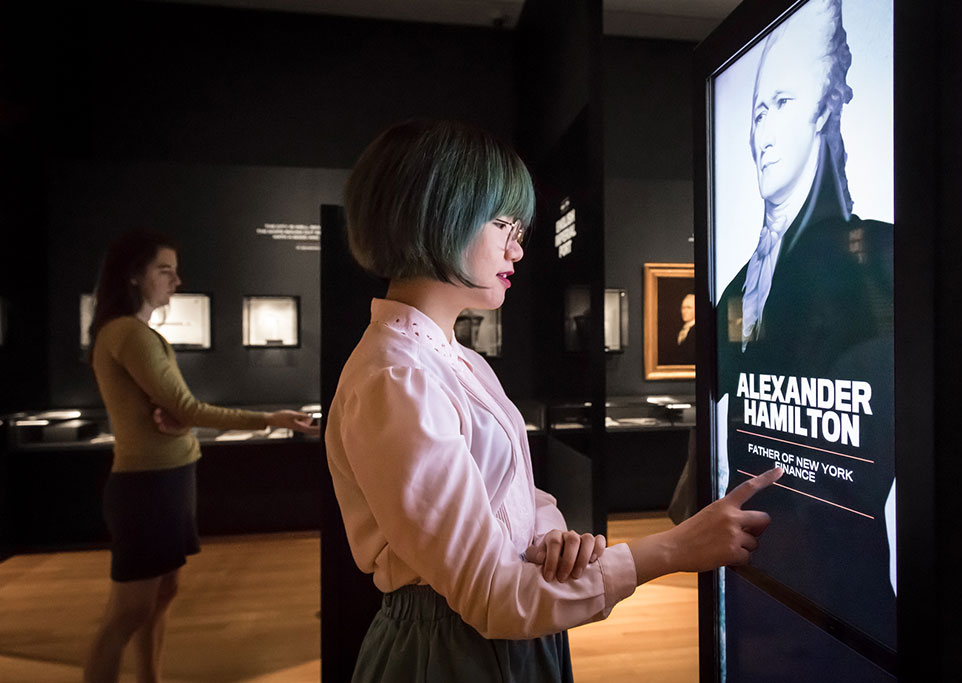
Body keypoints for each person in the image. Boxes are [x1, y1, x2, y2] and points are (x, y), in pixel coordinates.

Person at [324, 119, 783, 682]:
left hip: (501, 635)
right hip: (451, 652)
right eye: (502, 224)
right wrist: (670, 549)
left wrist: (548, 537)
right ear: (438, 216)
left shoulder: (454, 358)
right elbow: (491, 596)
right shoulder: (397, 377)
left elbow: (509, 490)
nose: (517, 247)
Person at [715, 0, 896, 647]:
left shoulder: (879, 254)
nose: (762, 129)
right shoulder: (740, 285)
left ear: (824, 106)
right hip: (758, 581)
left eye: (783, 102)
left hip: (846, 599)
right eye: (757, 110)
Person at [82, 230, 318, 683]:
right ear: (133, 276)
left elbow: (176, 411)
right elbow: (186, 407)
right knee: (127, 613)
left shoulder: (133, 333)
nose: (176, 280)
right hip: (147, 484)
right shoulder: (129, 334)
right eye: (164, 270)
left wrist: (180, 419)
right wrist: (275, 418)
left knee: (162, 593)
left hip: (165, 479)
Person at [676, 293, 696, 363]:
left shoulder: (698, 331)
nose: (685, 311)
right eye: (683, 308)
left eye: (689, 308)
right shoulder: (680, 330)